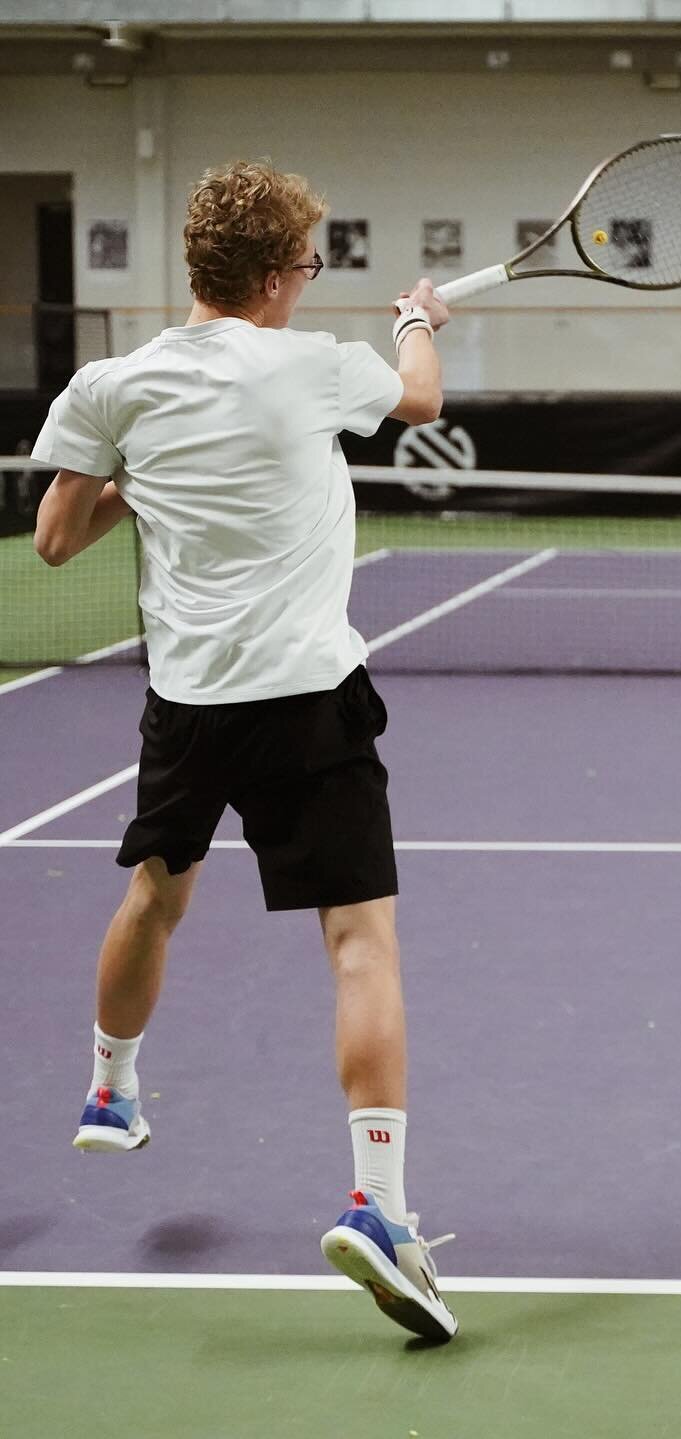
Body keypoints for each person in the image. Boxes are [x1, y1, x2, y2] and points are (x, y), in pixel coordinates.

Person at [30, 160, 458, 1344]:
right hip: (310, 700)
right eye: (310, 265)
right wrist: (419, 323)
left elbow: (57, 535)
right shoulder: (318, 365)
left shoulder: (115, 384)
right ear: (276, 277)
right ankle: (379, 1205)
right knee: (360, 940)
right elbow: (419, 398)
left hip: (187, 707)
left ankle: (111, 1083)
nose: (311, 283)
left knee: (154, 895)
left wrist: (143, 466)